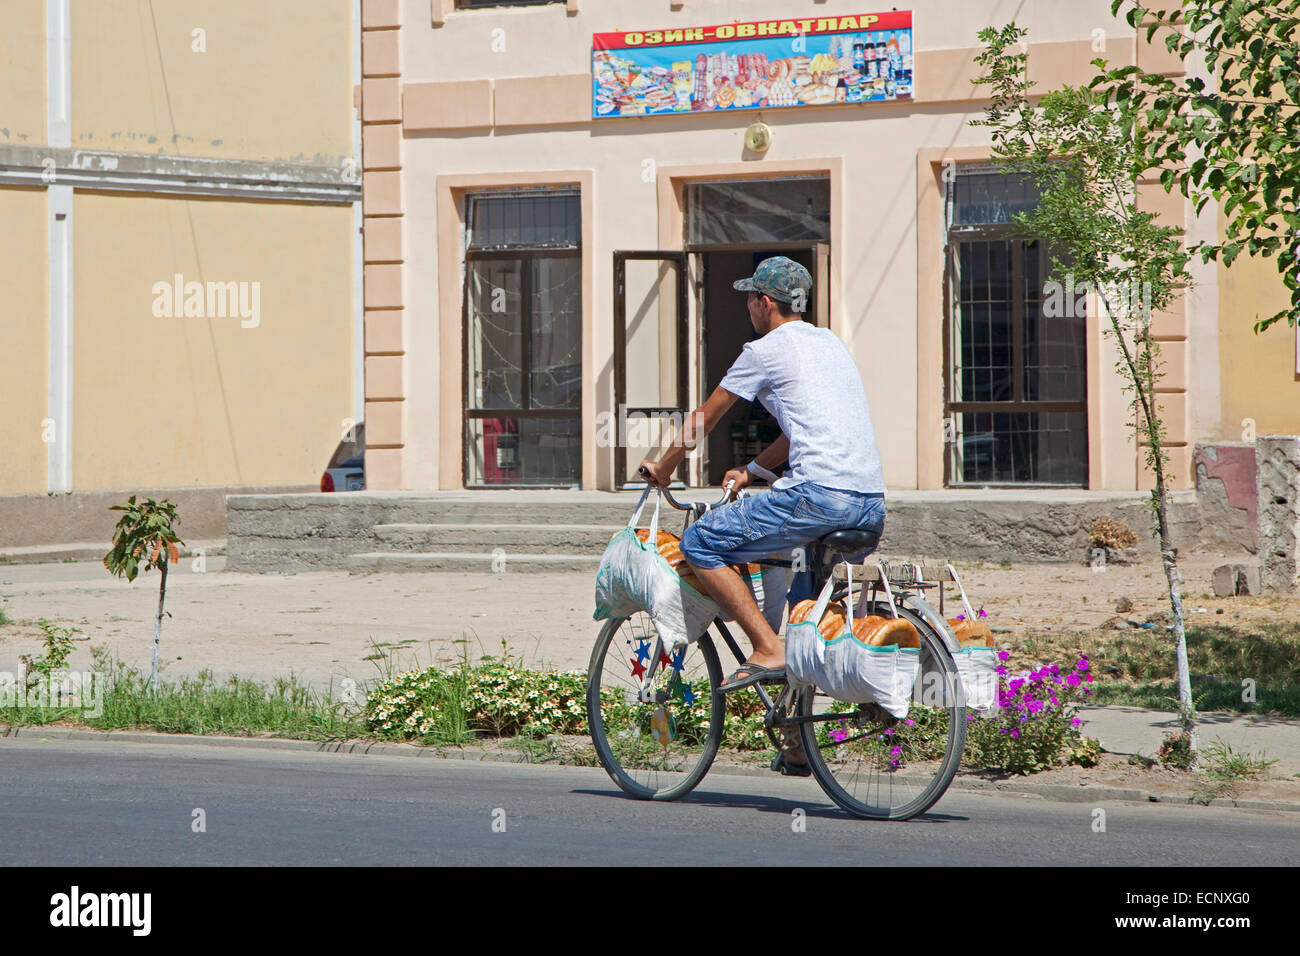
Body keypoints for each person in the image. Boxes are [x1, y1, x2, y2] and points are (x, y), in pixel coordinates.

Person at [638, 256, 886, 772]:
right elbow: (804, 431)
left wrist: (662, 466)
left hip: (816, 497)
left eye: (750, 297)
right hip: (868, 504)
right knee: (799, 607)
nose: (748, 305)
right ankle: (798, 741)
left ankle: (764, 648)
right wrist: (752, 469)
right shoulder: (829, 343)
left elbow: (704, 417)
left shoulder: (765, 350)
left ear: (764, 303)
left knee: (701, 543)